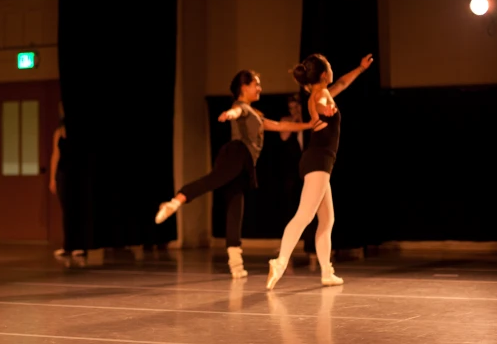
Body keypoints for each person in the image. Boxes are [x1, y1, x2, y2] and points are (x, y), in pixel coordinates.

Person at [154, 70, 322, 278]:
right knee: (212, 181)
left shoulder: (256, 115)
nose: (259, 88)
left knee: (235, 208)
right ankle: (174, 202)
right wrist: (229, 114)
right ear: (244, 87)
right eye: (256, 84)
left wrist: (308, 125)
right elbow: (236, 112)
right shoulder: (241, 107)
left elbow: (280, 125)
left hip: (245, 163)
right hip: (237, 154)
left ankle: (236, 264)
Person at [266, 53, 374, 290]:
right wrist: (324, 111)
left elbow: (342, 83)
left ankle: (327, 272)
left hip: (318, 161)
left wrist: (360, 68)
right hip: (318, 161)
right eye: (331, 67)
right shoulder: (320, 96)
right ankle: (280, 261)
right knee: (305, 215)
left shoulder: (321, 92)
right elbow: (321, 103)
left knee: (327, 219)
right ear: (324, 74)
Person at [280, 93, 318, 268]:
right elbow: (284, 136)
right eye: (291, 107)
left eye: (296, 106)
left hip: (310, 169)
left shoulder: (311, 119)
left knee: (311, 211)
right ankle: (287, 250)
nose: (294, 109)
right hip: (293, 173)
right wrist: (295, 118)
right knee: (291, 210)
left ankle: (312, 251)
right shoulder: (288, 120)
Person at [49, 105, 85, 258]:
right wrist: (52, 178)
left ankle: (81, 245)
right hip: (63, 173)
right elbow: (55, 155)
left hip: (77, 174)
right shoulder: (58, 133)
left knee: (78, 209)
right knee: (67, 210)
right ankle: (68, 245)